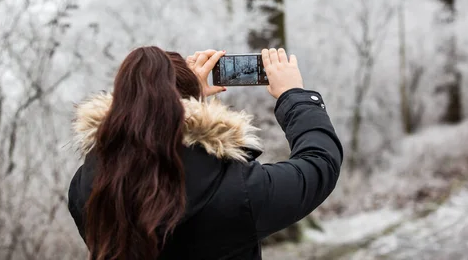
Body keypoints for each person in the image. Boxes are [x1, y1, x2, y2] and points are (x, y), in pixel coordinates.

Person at [68, 47, 343, 260]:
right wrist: (293, 95)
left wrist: (184, 101)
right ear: (185, 110)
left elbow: (147, 141)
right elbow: (319, 163)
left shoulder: (86, 191)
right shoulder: (236, 192)